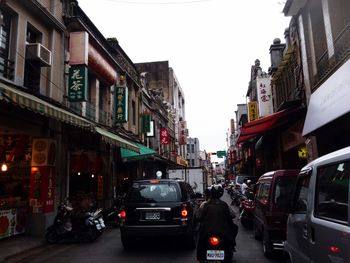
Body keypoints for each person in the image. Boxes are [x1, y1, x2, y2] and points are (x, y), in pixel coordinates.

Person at [196, 184, 238, 261]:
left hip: (207, 233)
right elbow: (232, 215)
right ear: (221, 194)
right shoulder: (224, 205)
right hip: (223, 233)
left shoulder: (205, 205)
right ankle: (232, 246)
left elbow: (198, 217)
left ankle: (200, 259)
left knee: (200, 241)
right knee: (234, 229)